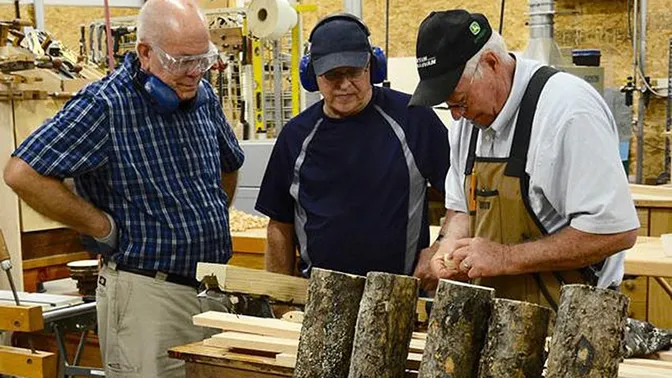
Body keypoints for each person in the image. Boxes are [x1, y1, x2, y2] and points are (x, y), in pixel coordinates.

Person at [3, 0, 244, 376]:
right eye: (182, 61)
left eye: (202, 60)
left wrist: (209, 215)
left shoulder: (203, 96)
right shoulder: (105, 105)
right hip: (149, 297)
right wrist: (101, 227)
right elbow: (22, 172)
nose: (194, 73)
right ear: (145, 53)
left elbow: (229, 163)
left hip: (212, 289)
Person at [409, 9, 639, 307]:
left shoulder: (569, 111)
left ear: (491, 63)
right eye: (449, 105)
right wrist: (448, 245)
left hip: (570, 318)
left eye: (460, 100)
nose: (456, 114)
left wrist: (505, 257)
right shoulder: (468, 121)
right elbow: (462, 208)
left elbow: (615, 231)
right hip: (498, 320)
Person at [255, 13, 450, 290]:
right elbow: (279, 225)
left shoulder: (414, 120)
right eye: (333, 75)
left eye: (354, 72)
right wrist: (278, 296)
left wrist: (441, 246)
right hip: (318, 299)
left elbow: (461, 198)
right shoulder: (295, 137)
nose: (345, 84)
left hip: (399, 298)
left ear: (373, 66)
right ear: (312, 75)